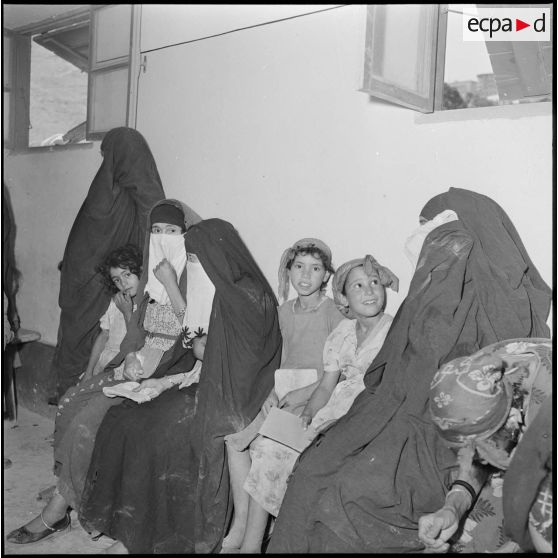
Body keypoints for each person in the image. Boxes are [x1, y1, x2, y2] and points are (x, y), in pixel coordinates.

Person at [267, 187, 551, 553]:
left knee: (348, 498)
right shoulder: (418, 309)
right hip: (385, 419)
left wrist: (454, 499)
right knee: (310, 471)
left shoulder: (499, 342)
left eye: (452, 249)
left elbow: (482, 434)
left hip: (432, 440)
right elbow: (385, 380)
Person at [79, 217, 283, 554]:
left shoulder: (249, 295)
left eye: (197, 258)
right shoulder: (220, 290)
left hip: (240, 395)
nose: (193, 266)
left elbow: (238, 360)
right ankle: (132, 530)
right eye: (189, 258)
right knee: (127, 420)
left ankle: (162, 535)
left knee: (161, 434)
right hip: (210, 383)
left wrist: (200, 352)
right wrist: (164, 380)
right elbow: (201, 349)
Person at [236, 255, 396, 553]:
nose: (369, 291)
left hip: (365, 414)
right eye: (358, 286)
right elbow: (326, 385)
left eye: (374, 283)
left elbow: (390, 389)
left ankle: (289, 541)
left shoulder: (393, 330)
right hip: (331, 409)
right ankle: (251, 545)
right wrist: (309, 413)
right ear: (344, 298)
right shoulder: (343, 333)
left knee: (308, 462)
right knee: (269, 448)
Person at [6, 243, 144, 544]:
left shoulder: (148, 301)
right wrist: (91, 370)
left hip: (127, 374)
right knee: (67, 403)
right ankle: (62, 482)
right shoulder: (117, 299)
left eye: (128, 276)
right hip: (106, 369)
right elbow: (104, 335)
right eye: (117, 280)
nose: (123, 284)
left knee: (85, 418)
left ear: (141, 273)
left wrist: (129, 311)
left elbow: (137, 347)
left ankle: (62, 505)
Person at [222, 238, 343, 552]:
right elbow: (274, 360)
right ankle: (242, 522)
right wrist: (268, 394)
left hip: (315, 398)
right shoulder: (282, 312)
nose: (306, 275)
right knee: (235, 439)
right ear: (289, 270)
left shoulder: (333, 313)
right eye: (299, 266)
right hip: (282, 394)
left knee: (265, 447)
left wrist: (301, 394)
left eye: (315, 268)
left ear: (326, 276)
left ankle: (253, 542)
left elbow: (336, 370)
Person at [50, 127, 165, 400]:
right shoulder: (127, 197)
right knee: (88, 330)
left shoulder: (108, 187)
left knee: (81, 331)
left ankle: (70, 388)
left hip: (82, 276)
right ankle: (72, 391)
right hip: (93, 278)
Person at [419, 338, 552, 553]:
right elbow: (473, 458)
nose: (475, 457)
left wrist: (516, 546)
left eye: (481, 448)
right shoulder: (475, 375)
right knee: (470, 537)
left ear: (509, 419)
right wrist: (453, 506)